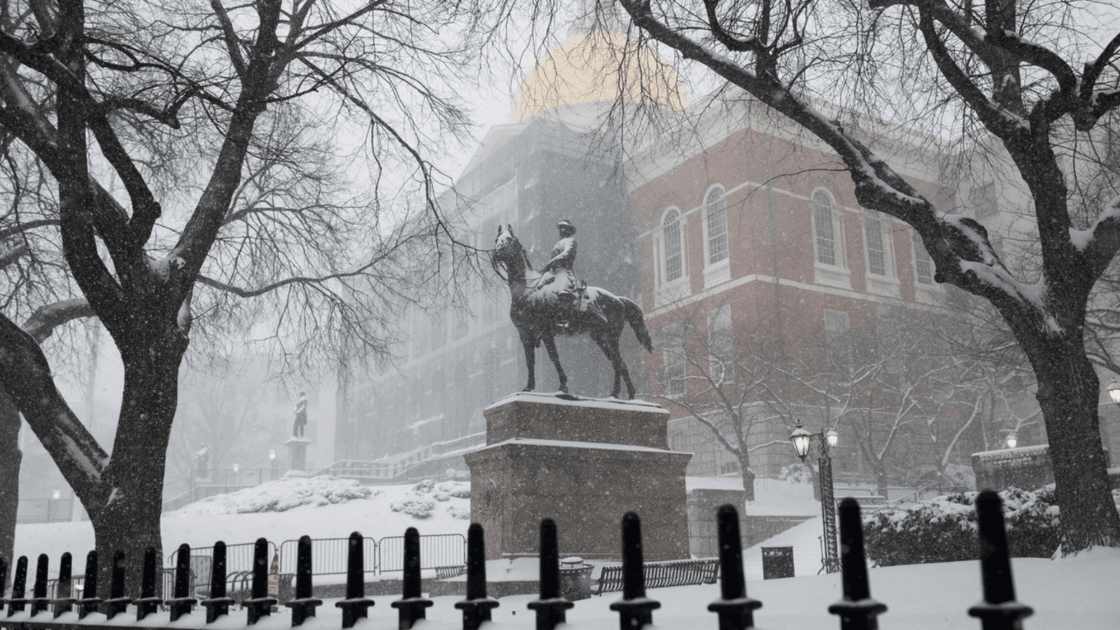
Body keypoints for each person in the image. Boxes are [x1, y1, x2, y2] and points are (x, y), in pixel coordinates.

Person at [541, 220, 607, 325]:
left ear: (569, 230)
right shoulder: (557, 244)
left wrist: (550, 262)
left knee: (563, 289)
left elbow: (566, 254)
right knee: (541, 286)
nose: (561, 230)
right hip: (554, 272)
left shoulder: (571, 241)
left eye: (564, 227)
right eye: (560, 227)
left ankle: (566, 317)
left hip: (565, 271)